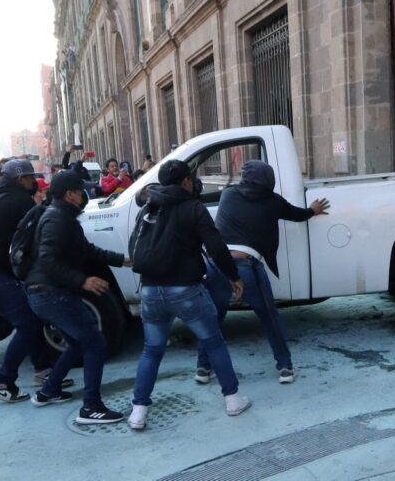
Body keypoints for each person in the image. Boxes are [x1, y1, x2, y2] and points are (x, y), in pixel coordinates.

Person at [128, 160, 250, 430]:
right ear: (185, 182)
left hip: (149, 289)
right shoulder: (193, 207)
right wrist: (233, 276)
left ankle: (138, 411)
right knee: (213, 341)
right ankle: (232, 399)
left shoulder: (149, 208)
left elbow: (134, 244)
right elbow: (216, 247)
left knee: (151, 351)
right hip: (185, 289)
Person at [198, 160, 329, 385]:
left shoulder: (228, 194)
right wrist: (313, 210)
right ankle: (285, 367)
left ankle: (202, 368)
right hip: (245, 266)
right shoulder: (273, 202)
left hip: (216, 264)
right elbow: (297, 214)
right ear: (269, 180)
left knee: (212, 318)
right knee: (269, 317)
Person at [25, 170, 129, 423]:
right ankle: (91, 407)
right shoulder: (57, 219)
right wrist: (82, 280)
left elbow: (87, 250)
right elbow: (47, 259)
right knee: (95, 343)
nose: (85, 195)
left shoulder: (64, 217)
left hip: (46, 293)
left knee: (78, 343)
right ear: (70, 194)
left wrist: (123, 260)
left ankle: (48, 391)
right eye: (80, 191)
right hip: (50, 294)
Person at [0, 160, 61, 403]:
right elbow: (39, 231)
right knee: (28, 323)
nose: (34, 182)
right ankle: (1, 381)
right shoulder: (18, 200)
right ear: (21, 179)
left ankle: (43, 370)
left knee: (31, 317)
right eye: (32, 178)